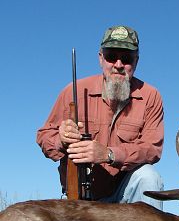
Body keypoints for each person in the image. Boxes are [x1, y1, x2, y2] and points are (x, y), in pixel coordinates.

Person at [36, 25, 164, 209]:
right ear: (101, 58)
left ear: (136, 61)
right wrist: (60, 140)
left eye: (126, 59)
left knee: (149, 177)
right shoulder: (74, 91)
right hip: (82, 196)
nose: (118, 65)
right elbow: (44, 136)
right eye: (111, 56)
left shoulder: (151, 96)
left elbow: (152, 149)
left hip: (124, 193)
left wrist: (108, 154)